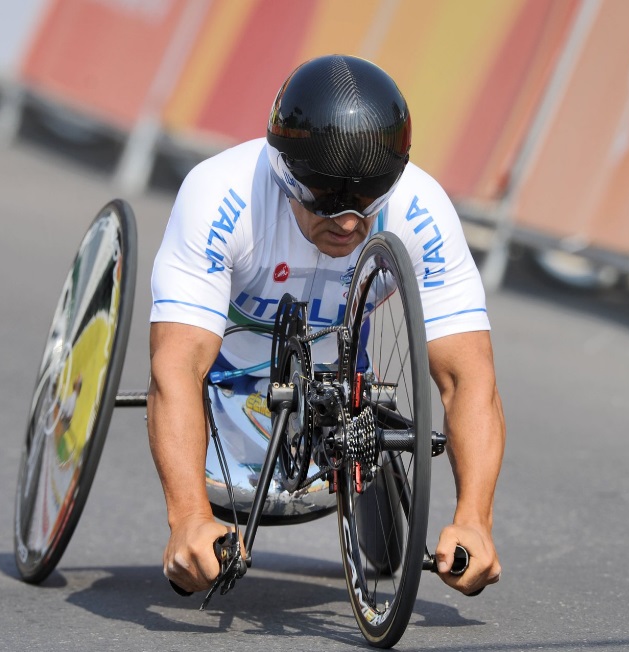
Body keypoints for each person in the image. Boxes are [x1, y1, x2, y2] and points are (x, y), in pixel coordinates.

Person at [147, 54, 505, 597]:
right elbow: (175, 368)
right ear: (285, 172)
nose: (345, 221)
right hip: (222, 379)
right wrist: (188, 516)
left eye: (365, 201)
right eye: (324, 198)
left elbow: (468, 380)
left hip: (340, 376)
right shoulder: (219, 195)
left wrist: (475, 517)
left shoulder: (422, 210)